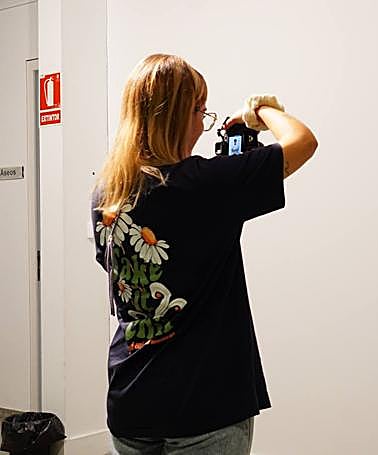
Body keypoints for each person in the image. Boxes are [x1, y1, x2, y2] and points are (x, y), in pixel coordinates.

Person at [91, 54, 317, 454]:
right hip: (205, 403)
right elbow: (303, 141)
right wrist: (260, 112)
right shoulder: (206, 184)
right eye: (200, 111)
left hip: (131, 399)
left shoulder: (107, 192)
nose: (203, 123)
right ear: (178, 116)